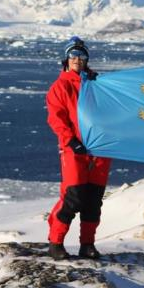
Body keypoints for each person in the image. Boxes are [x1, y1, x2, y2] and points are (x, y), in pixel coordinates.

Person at [46, 36, 112, 260]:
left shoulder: (97, 84)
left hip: (99, 149)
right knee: (73, 197)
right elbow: (56, 119)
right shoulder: (60, 87)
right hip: (74, 149)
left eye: (82, 55)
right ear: (66, 59)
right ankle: (56, 242)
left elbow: (114, 110)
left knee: (93, 199)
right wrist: (71, 141)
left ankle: (87, 244)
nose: (77, 59)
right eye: (73, 55)